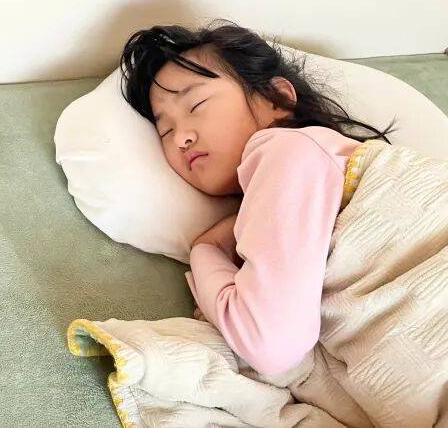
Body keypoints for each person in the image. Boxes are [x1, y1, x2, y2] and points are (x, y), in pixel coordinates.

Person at [117, 19, 396, 377]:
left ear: (276, 98)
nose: (181, 137)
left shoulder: (291, 149)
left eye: (196, 105)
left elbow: (270, 344)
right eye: (165, 130)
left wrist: (206, 250)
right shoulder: (285, 196)